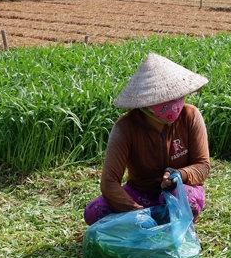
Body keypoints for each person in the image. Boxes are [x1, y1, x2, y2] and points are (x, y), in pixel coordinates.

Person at [84, 53, 210, 226]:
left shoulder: (190, 116)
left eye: (176, 96)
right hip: (141, 193)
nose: (173, 104)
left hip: (180, 189)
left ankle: (170, 227)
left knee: (184, 201)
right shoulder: (126, 127)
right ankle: (149, 226)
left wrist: (179, 175)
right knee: (95, 211)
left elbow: (202, 167)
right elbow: (109, 182)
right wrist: (136, 212)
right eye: (163, 100)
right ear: (144, 104)